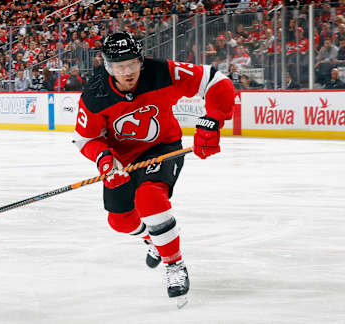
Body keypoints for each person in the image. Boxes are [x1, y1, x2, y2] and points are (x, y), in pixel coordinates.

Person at [72, 32, 234, 304]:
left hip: (162, 148)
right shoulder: (95, 92)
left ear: (141, 61)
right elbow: (86, 138)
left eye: (132, 64)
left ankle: (174, 265)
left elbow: (217, 81)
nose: (127, 73)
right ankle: (153, 240)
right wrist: (105, 160)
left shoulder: (162, 72)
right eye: (119, 67)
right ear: (107, 66)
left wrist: (213, 120)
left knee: (149, 198)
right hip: (120, 160)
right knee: (120, 221)